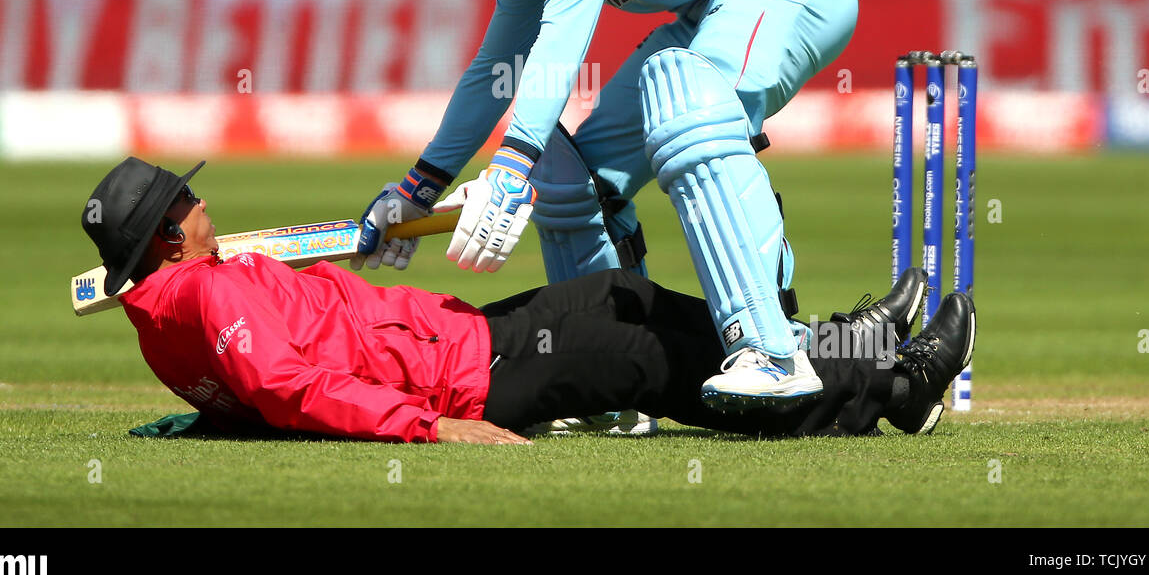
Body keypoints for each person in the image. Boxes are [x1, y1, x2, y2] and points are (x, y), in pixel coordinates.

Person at [355, 0, 860, 412]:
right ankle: (617, 392)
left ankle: (772, 350)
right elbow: (496, 69)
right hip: (712, 6)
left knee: (686, 103)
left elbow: (564, 33)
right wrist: (418, 187)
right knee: (573, 182)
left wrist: (510, 166)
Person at [81, 158, 976, 444]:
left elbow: (243, 394)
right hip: (461, 387)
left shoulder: (167, 307)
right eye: (187, 200)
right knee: (651, 361)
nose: (205, 202)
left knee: (619, 292)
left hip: (457, 337)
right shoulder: (198, 293)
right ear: (168, 232)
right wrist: (426, 428)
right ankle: (890, 392)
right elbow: (285, 387)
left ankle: (829, 345)